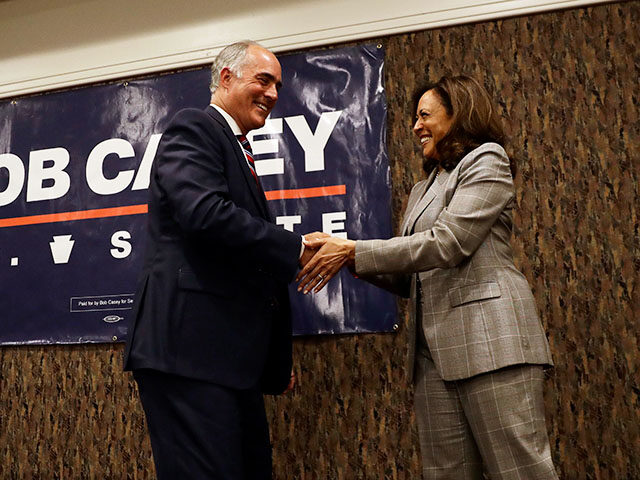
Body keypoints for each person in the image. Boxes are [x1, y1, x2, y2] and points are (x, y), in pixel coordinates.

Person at [298, 76, 559, 479]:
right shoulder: (424, 188)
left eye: (425, 115)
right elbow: (412, 278)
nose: (415, 126)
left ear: (458, 115)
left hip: (491, 345)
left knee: (521, 471)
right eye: (414, 117)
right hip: (431, 360)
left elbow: (449, 243)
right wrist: (345, 259)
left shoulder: (487, 160)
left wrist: (354, 248)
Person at [123, 41, 315, 479]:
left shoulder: (236, 148)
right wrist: (296, 248)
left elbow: (241, 260)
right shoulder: (194, 127)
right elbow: (206, 215)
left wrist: (272, 360)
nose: (272, 94)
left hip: (227, 361)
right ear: (226, 77)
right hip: (188, 353)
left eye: (278, 86)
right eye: (262, 80)